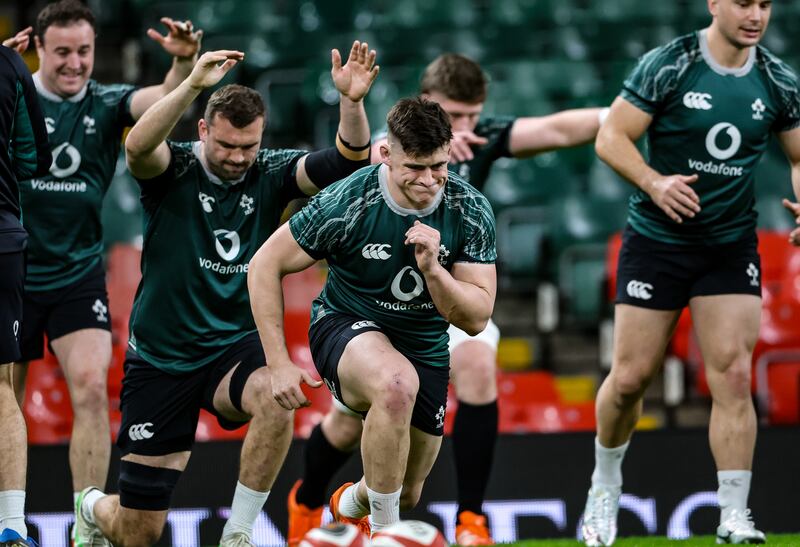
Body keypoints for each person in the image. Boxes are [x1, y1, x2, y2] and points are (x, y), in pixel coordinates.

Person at [288, 52, 605, 546]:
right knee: (350, 425)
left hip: (451, 288)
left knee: (478, 364)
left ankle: (470, 520)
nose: (463, 127)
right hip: (373, 302)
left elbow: (559, 130)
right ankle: (310, 500)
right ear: (427, 108)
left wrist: (624, 113)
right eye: (453, 117)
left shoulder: (480, 145)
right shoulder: (390, 154)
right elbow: (352, 167)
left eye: (472, 117)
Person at [73, 39, 378, 547]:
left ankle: (238, 533)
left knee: (279, 396)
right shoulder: (174, 170)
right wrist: (192, 82)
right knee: (138, 532)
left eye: (248, 146)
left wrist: (351, 103)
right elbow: (136, 147)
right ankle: (92, 506)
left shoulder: (272, 170)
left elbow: (349, 161)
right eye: (226, 145)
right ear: (202, 130)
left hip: (231, 349)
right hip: (162, 358)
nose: (238, 157)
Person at [579, 1, 800, 545]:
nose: (755, 14)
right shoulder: (670, 64)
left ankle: (734, 515)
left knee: (732, 375)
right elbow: (611, 137)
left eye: (765, 3)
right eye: (743, 2)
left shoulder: (778, 79)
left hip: (728, 246)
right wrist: (655, 183)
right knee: (629, 380)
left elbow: (797, 156)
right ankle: (604, 488)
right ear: (714, 3)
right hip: (658, 243)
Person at [250, 96, 497, 538]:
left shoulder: (469, 209)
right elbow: (265, 265)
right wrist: (278, 362)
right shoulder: (348, 200)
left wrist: (434, 270)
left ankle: (351, 502)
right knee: (395, 384)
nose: (429, 180)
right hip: (344, 325)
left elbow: (477, 318)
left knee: (407, 488)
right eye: (415, 167)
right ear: (386, 153)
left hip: (423, 343)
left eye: (438, 166)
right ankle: (388, 536)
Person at [2, 1, 202, 538]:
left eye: (84, 51)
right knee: (6, 401)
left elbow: (161, 100)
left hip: (76, 275)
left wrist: (183, 67)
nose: (74, 63)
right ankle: (10, 524)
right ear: (39, 49)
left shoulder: (107, 102)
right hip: (13, 273)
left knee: (91, 388)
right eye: (62, 51)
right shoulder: (13, 96)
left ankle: (84, 525)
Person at [0, 44, 50, 547]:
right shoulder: (11, 65)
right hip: (2, 239)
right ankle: (11, 526)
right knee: (0, 386)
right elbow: (36, 156)